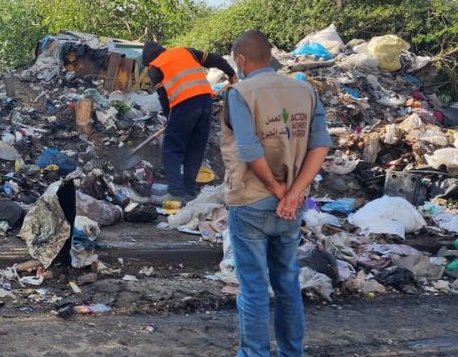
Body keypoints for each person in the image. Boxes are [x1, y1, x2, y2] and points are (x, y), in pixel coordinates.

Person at [220, 30, 331, 357]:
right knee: (287, 284)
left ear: (240, 60)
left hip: (251, 203)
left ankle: (254, 354)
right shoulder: (305, 90)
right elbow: (320, 144)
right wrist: (294, 194)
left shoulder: (239, 93)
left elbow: (248, 148)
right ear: (269, 57)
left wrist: (278, 189)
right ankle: (290, 353)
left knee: (254, 289)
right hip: (290, 209)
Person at [142, 42, 236, 203]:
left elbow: (164, 97)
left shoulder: (155, 67)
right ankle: (189, 191)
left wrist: (169, 118)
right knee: (195, 148)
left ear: (148, 60)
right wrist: (231, 74)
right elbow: (216, 59)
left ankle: (175, 192)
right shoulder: (185, 51)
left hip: (184, 105)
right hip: (206, 102)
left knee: (171, 149)